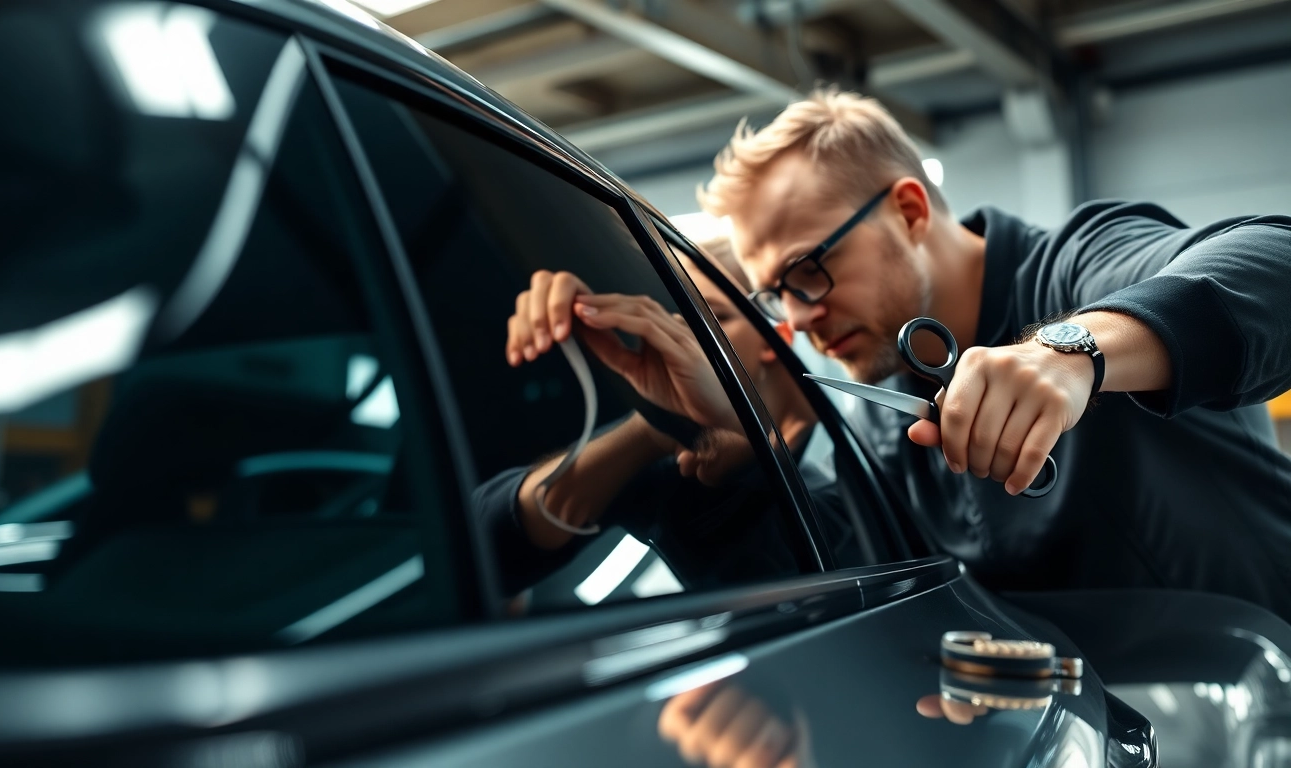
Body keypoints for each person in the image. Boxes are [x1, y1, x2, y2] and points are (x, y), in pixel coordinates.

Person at [694, 86, 1291, 617]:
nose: (797, 317)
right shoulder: (883, 411)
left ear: (908, 212)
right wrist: (723, 474)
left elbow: (1274, 260)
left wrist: (1070, 354)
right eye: (776, 296)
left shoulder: (1076, 266)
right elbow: (853, 583)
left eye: (806, 271)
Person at [477, 243, 857, 600]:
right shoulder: (669, 461)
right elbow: (483, 553)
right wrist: (656, 427)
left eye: (713, 316)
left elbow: (790, 572)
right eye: (673, 317)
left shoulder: (841, 481)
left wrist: (734, 446)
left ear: (777, 337)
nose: (685, 337)